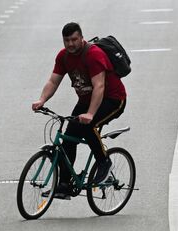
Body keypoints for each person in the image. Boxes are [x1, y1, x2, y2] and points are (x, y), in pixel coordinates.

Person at [31, 23, 127, 199]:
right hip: (85, 100)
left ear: (81, 38)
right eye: (66, 40)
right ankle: (65, 185)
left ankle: (104, 162)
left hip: (112, 99)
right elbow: (53, 81)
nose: (70, 44)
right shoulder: (63, 56)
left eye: (74, 39)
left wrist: (90, 114)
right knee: (67, 140)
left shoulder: (93, 55)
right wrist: (42, 100)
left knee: (88, 126)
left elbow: (99, 86)